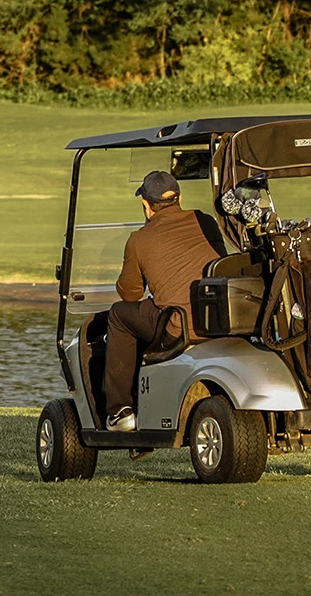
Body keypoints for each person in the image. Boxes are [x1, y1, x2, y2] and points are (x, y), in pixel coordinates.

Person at [104, 169, 223, 431]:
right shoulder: (206, 221)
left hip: (178, 327)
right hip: (217, 322)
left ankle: (119, 411)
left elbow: (131, 294)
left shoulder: (139, 240)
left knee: (118, 315)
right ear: (178, 199)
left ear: (147, 206)